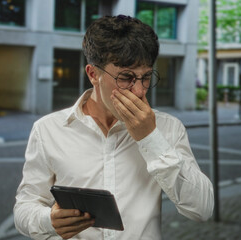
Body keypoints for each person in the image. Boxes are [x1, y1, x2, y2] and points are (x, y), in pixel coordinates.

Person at [14, 15, 214, 240]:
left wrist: (150, 139)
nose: (139, 90)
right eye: (126, 77)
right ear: (93, 74)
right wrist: (48, 220)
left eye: (146, 77)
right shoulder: (47, 130)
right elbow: (24, 207)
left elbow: (202, 209)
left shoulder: (168, 128)